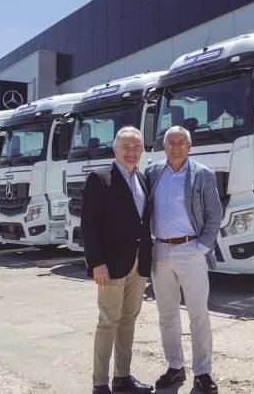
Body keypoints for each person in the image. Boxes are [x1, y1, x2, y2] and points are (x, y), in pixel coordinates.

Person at [145, 126, 222, 394]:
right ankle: (175, 367)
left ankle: (202, 372)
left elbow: (214, 213)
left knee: (198, 314)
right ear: (163, 146)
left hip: (191, 249)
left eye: (181, 142)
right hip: (160, 251)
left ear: (189, 146)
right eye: (170, 142)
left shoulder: (203, 174)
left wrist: (202, 247)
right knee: (167, 314)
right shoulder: (153, 173)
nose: (176, 146)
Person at [81, 126, 153, 394]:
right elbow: (89, 225)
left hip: (138, 264)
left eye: (137, 147)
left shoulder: (143, 179)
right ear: (115, 149)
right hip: (110, 265)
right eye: (127, 147)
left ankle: (122, 378)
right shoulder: (100, 179)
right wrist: (96, 262)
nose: (132, 152)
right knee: (109, 320)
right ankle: (100, 383)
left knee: (129, 319)